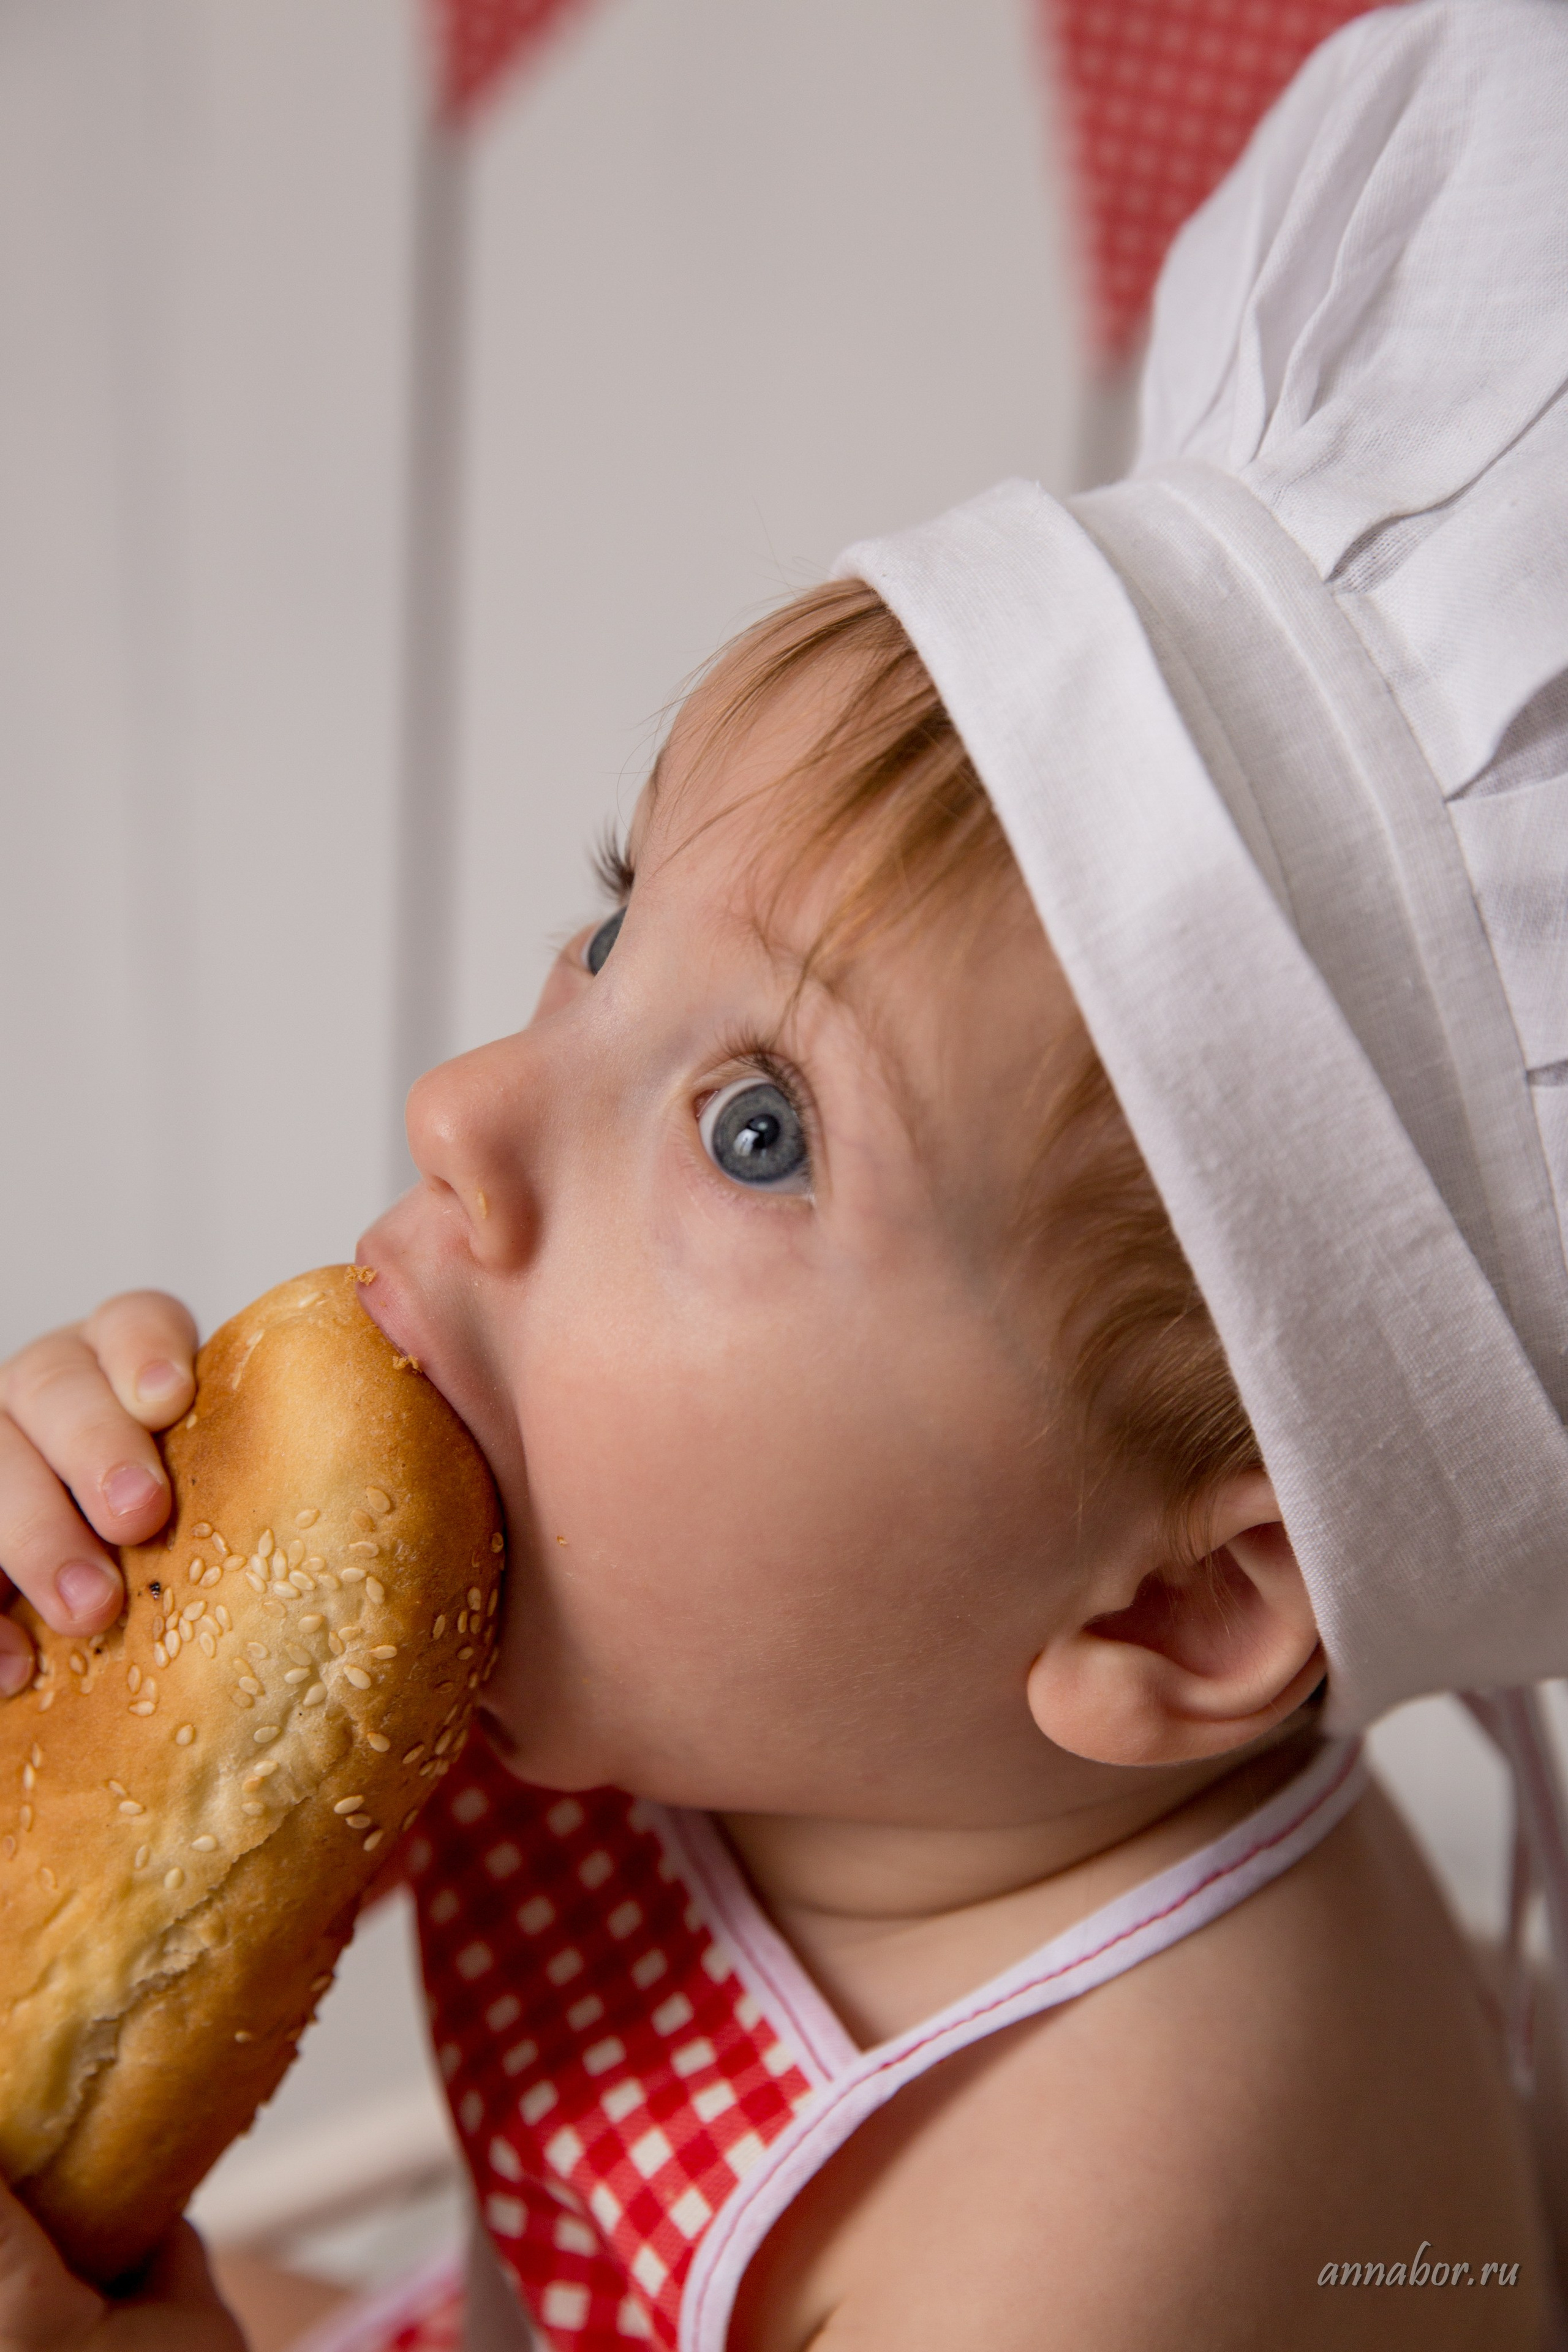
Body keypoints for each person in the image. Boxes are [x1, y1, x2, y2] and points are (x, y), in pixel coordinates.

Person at [1, 1, 1565, 2345]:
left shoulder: (1147, 2218)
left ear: (1168, 1618)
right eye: (614, 921)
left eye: (760, 1131)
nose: (463, 1102)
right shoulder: (750, 1651)